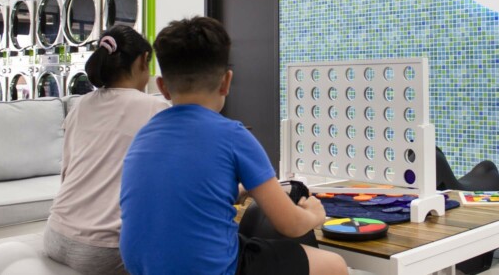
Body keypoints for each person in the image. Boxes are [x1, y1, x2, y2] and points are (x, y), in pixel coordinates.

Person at [120, 17, 347, 275]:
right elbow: (291, 225)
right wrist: (314, 214)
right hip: (211, 270)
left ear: (162, 87)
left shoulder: (144, 134)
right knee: (333, 265)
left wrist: (236, 190)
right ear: (227, 82)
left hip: (143, 269)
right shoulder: (233, 135)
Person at [44, 25, 169, 275]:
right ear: (143, 61)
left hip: (55, 234)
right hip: (104, 250)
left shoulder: (80, 105)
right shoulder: (155, 109)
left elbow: (66, 172)